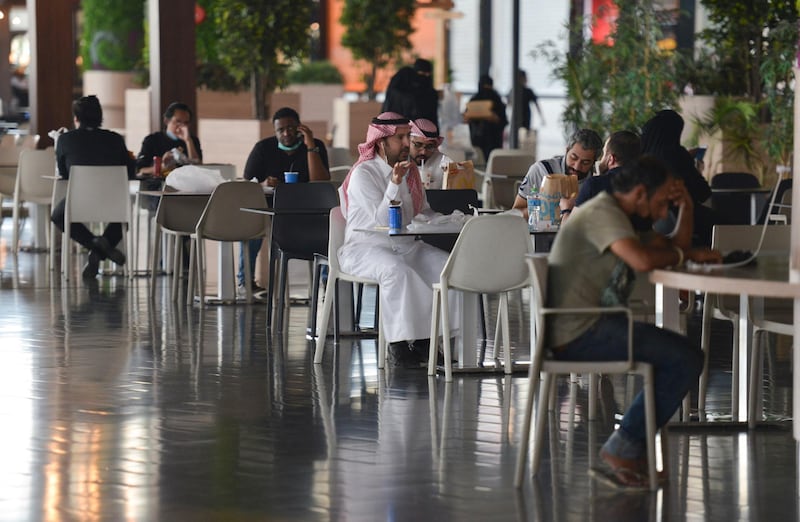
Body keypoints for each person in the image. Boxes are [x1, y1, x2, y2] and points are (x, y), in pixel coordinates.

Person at [546, 155, 721, 487]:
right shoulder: (602, 213)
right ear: (640, 193)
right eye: (659, 204)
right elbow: (643, 260)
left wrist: (686, 207)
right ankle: (623, 447)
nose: (660, 213)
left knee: (681, 356)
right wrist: (686, 255)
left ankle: (626, 446)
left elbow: (672, 247)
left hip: (592, 326)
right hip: (579, 332)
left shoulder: (619, 218)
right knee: (684, 358)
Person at [339, 112, 458, 368]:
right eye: (401, 137)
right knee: (397, 272)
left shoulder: (410, 172)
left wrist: (449, 220)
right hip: (365, 248)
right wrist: (394, 183)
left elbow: (417, 214)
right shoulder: (364, 174)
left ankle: (435, 340)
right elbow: (384, 221)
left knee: (446, 267)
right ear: (382, 142)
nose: (407, 143)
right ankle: (400, 347)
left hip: (405, 245)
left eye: (407, 136)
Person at [238, 107, 331, 295]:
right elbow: (248, 183)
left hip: (306, 210)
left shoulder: (314, 145)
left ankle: (327, 282)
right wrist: (264, 183)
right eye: (281, 130)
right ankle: (245, 282)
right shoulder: (263, 148)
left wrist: (310, 145)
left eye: (291, 128)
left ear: (300, 127)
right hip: (270, 210)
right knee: (252, 228)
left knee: (329, 227)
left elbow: (320, 181)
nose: (286, 133)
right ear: (275, 131)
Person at [51, 95, 136, 279]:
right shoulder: (115, 139)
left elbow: (65, 174)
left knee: (58, 215)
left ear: (76, 119)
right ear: (100, 117)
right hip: (114, 203)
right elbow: (129, 172)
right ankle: (102, 247)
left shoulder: (65, 140)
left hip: (79, 203)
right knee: (126, 216)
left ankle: (95, 247)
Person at [640, 109, 714, 246]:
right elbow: (703, 192)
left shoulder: (640, 157)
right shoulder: (677, 155)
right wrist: (694, 168)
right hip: (679, 218)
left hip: (647, 224)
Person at [513, 128, 603, 216]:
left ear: (594, 162)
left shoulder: (597, 179)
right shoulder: (541, 170)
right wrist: (549, 209)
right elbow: (516, 212)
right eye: (573, 158)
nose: (577, 166)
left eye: (585, 162)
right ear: (567, 150)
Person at [381, 58, 439, 125]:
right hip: (399, 122)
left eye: (428, 74)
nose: (426, 77)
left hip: (414, 125)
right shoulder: (405, 77)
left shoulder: (427, 90)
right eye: (424, 73)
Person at [465, 74, 508, 162]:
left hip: (483, 139)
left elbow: (502, 120)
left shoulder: (475, 98)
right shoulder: (497, 99)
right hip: (490, 140)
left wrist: (495, 118)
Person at [408, 118, 453, 189]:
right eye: (418, 145)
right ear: (408, 141)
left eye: (429, 146)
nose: (423, 152)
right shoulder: (398, 161)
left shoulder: (444, 163)